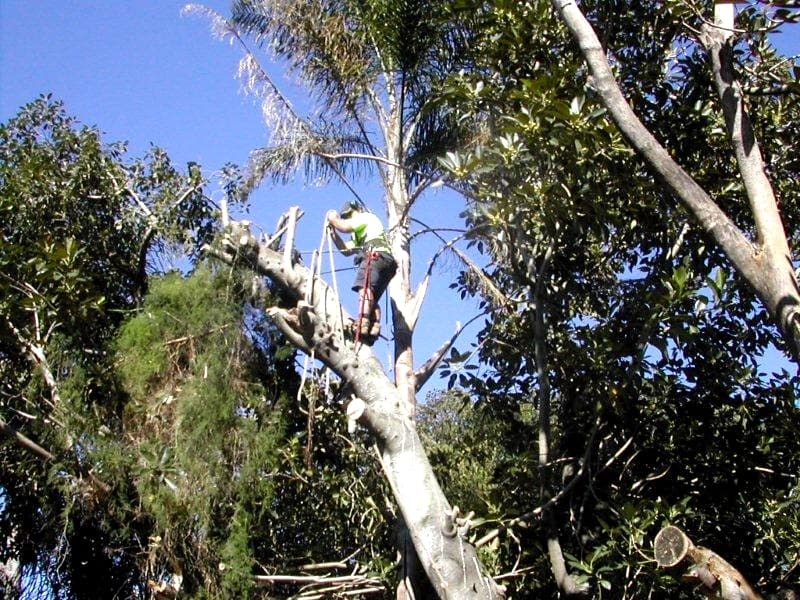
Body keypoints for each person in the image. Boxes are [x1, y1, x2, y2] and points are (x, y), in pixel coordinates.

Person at [326, 202, 397, 344]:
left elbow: (344, 227)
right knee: (372, 298)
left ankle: (363, 322)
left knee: (364, 289)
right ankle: (374, 327)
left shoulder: (364, 217)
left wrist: (333, 218)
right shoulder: (359, 233)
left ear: (356, 210)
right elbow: (346, 250)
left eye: (349, 215)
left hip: (374, 256)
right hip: (387, 262)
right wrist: (333, 233)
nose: (349, 218)